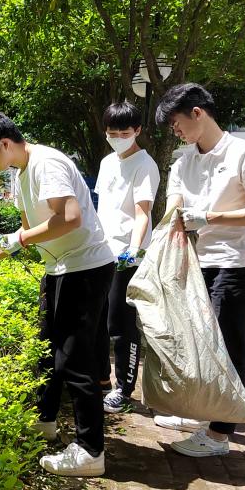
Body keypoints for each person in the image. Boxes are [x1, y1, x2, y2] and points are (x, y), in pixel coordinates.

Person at [0, 112, 114, 477]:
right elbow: (28, 228)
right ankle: (45, 422)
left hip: (85, 267)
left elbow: (70, 218)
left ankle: (90, 451)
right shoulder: (19, 174)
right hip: (59, 269)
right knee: (47, 351)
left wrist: (19, 240)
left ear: (5, 143)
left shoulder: (46, 163)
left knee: (75, 361)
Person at [152, 83, 245, 457]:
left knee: (227, 345)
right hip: (193, 264)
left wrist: (207, 216)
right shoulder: (183, 161)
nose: (176, 132)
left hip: (233, 264)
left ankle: (220, 434)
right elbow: (174, 206)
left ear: (198, 113)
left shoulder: (244, 153)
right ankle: (200, 413)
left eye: (176, 124)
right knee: (194, 343)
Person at [95, 101, 160, 414]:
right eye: (112, 132)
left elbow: (142, 212)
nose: (117, 137)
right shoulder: (108, 162)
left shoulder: (144, 165)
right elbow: (102, 208)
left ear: (138, 131)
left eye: (124, 132)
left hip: (126, 257)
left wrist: (133, 248)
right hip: (100, 253)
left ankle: (124, 388)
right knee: (97, 321)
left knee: (120, 325)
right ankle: (101, 380)